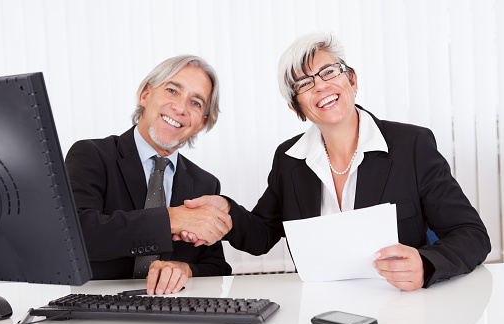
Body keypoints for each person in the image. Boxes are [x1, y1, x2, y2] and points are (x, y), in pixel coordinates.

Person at [179, 33, 491, 291]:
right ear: (297, 108)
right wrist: (227, 212)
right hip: (320, 311)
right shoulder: (289, 160)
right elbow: (262, 235)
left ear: (352, 80)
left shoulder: (412, 145)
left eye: (329, 72)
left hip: (401, 310)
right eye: (304, 84)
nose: (321, 86)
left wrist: (426, 264)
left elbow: (471, 234)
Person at [65, 55, 232, 295]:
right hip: (98, 312)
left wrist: (185, 268)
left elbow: (217, 267)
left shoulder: (205, 183)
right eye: (172, 90)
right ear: (145, 95)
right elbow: (75, 236)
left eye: (195, 103)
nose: (180, 108)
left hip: (173, 316)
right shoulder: (92, 155)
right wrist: (171, 220)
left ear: (202, 122)